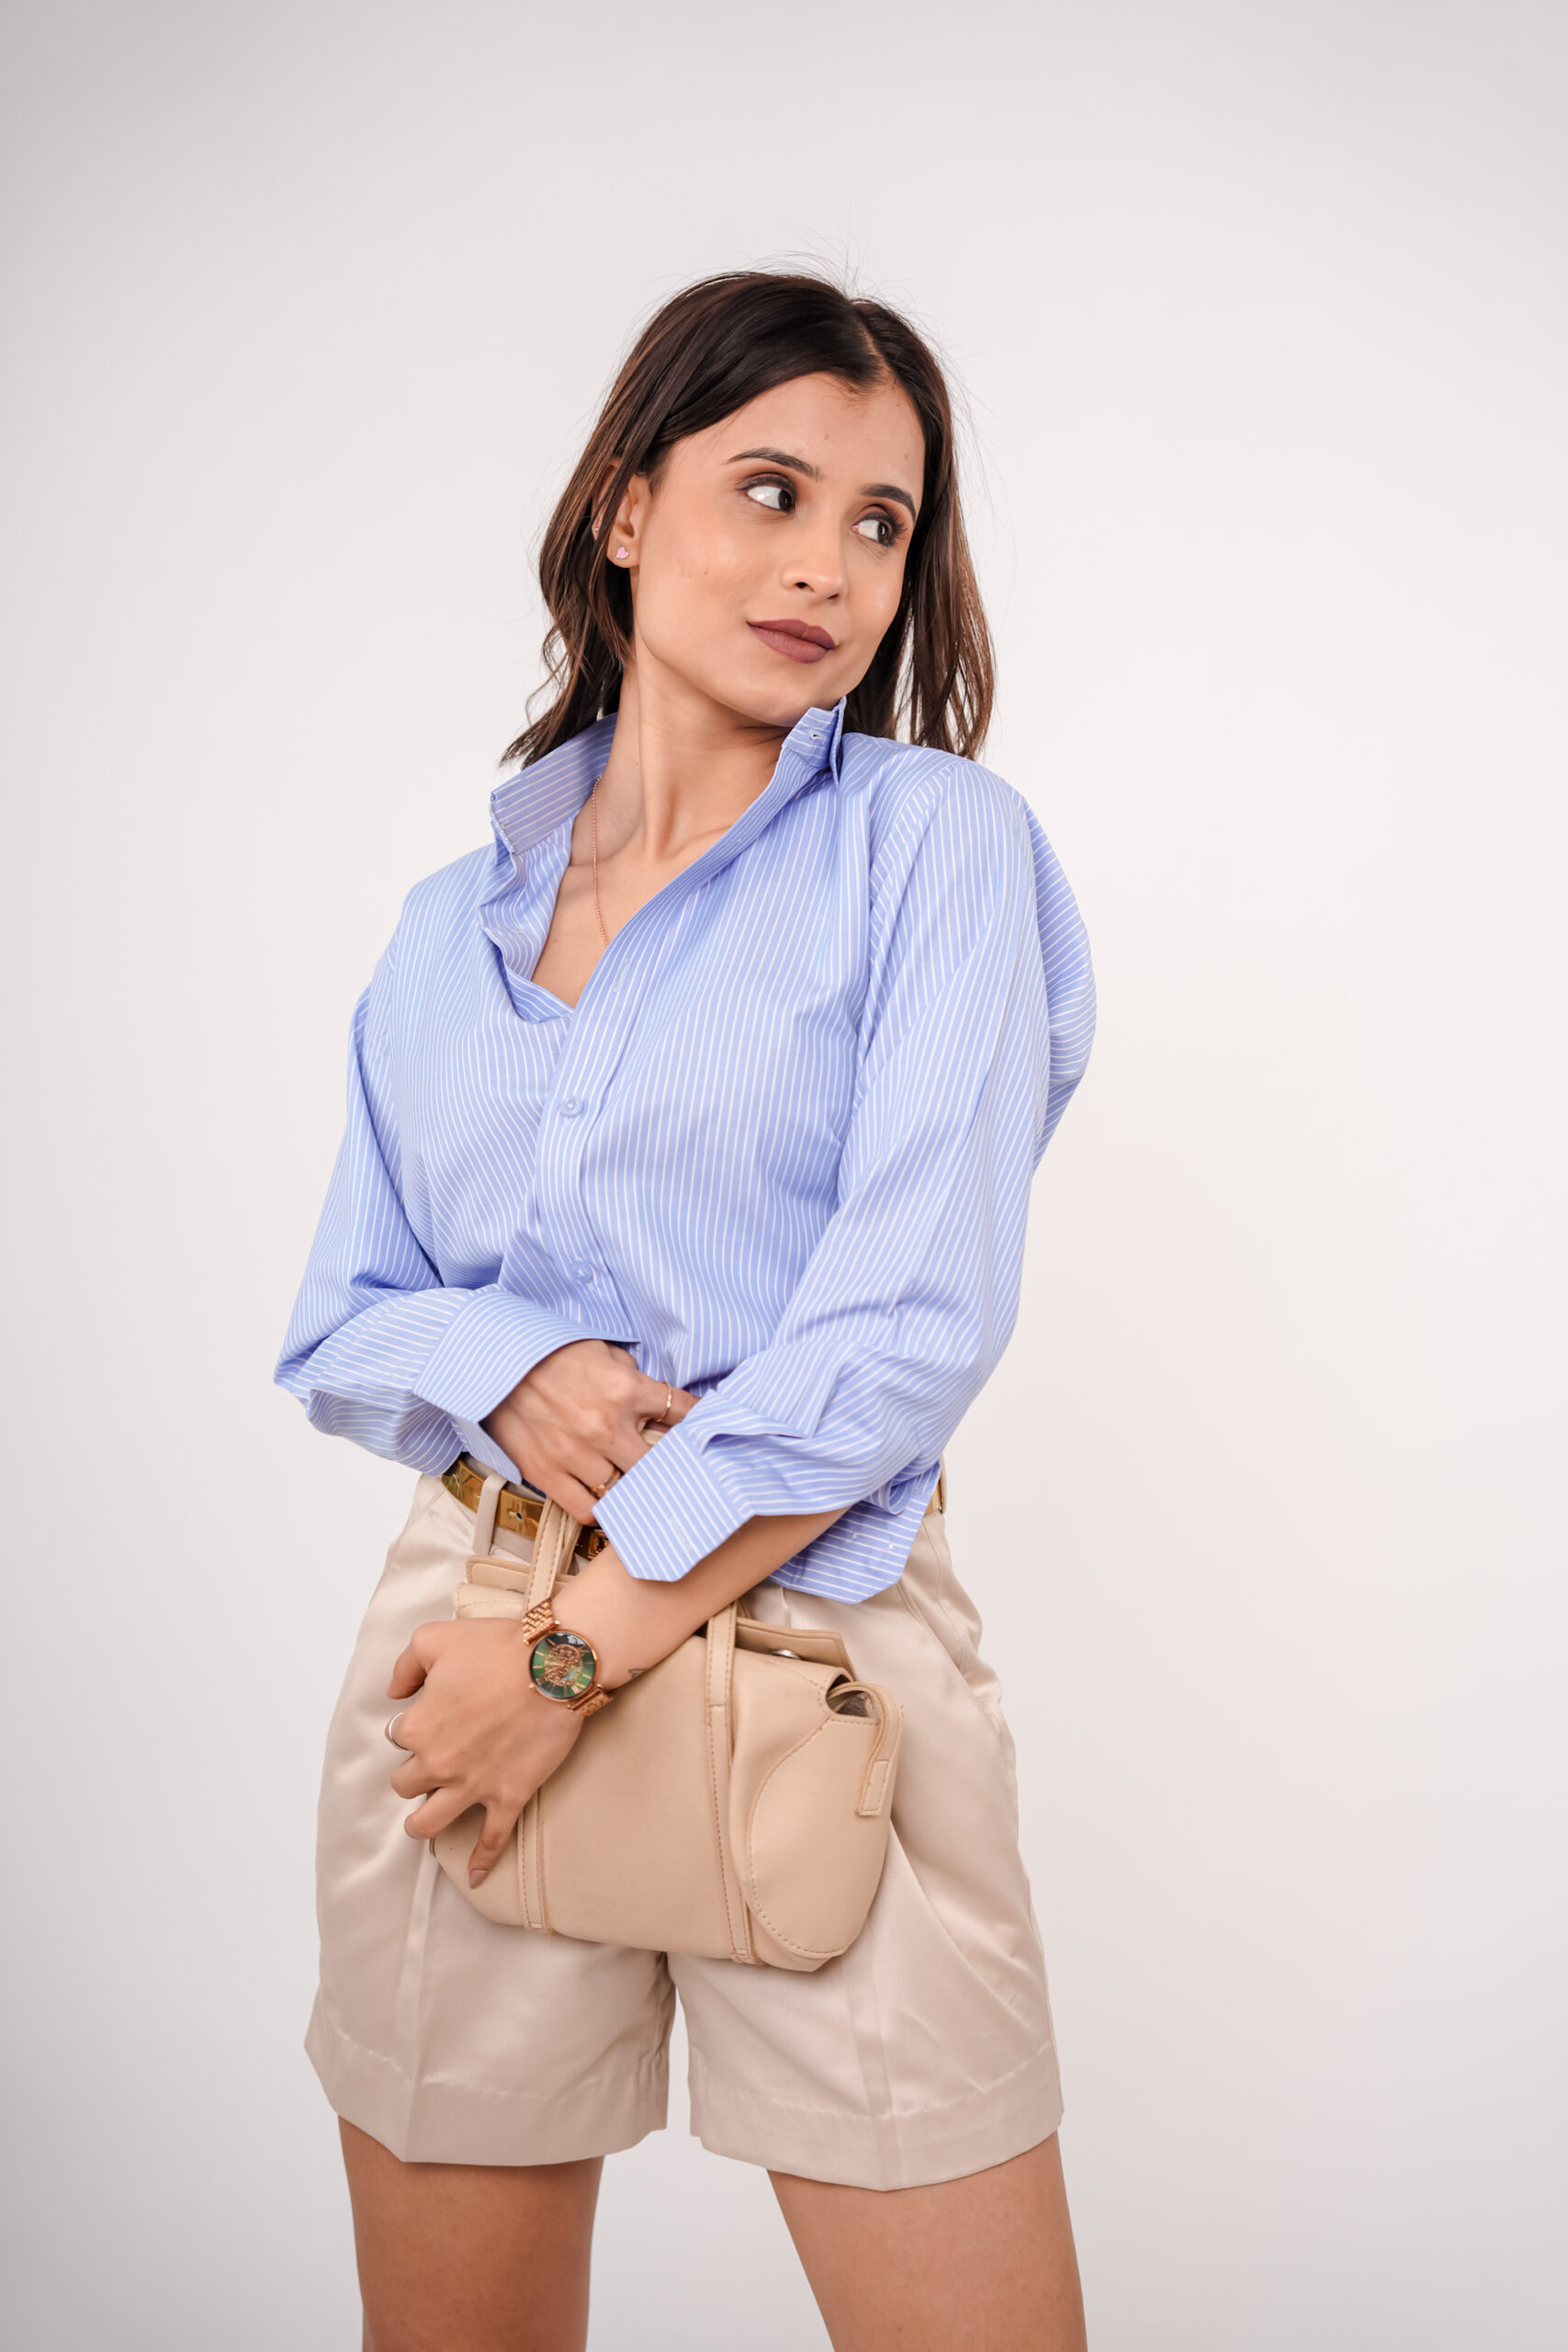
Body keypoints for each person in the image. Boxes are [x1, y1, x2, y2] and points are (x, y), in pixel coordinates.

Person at [276, 268, 1097, 2352]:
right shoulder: (444, 929)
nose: (829, 565)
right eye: (771, 490)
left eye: (881, 522)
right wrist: (514, 1364)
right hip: (463, 1639)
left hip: (808, 1628)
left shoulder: (934, 850)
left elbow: (905, 1324)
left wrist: (574, 1652)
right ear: (627, 506)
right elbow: (344, 1320)